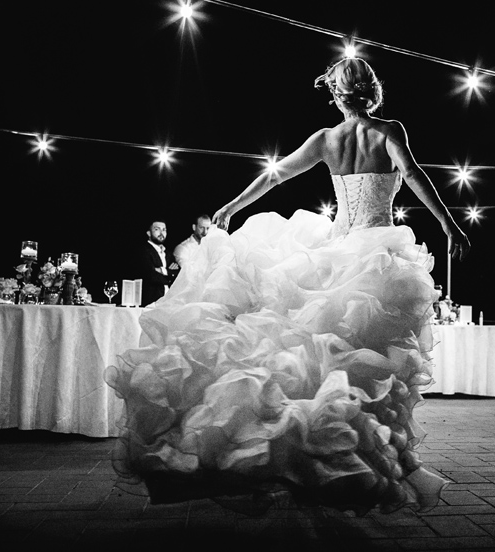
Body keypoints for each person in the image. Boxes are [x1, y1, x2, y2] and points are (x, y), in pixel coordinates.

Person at [106, 57, 470, 514]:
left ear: (336, 93)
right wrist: (449, 225)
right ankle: (369, 456)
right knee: (375, 363)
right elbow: (413, 175)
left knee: (325, 355)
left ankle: (327, 454)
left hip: (337, 250)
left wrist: (232, 205)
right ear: (372, 91)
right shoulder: (389, 130)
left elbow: (277, 174)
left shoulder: (326, 140)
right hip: (376, 254)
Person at [134, 220, 172, 306]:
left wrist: (162, 270)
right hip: (150, 302)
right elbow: (150, 275)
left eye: (164, 229)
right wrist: (170, 278)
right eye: (157, 229)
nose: (161, 232)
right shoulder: (143, 251)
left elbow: (177, 272)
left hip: (167, 302)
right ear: (149, 233)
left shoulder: (168, 253)